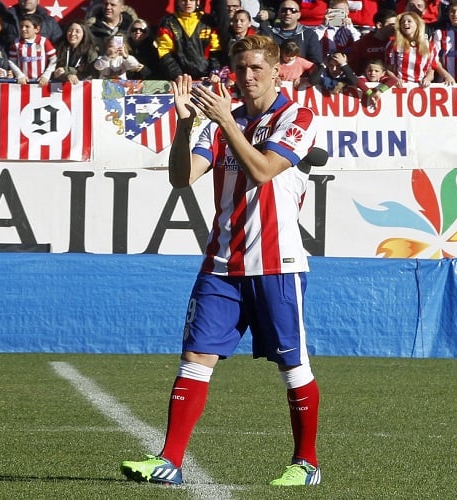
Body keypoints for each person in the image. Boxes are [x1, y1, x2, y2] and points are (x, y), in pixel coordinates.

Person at [120, 34, 321, 488]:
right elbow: (180, 177)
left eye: (256, 69)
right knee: (194, 357)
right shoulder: (216, 120)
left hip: (277, 263)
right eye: (240, 69)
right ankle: (169, 460)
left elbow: (264, 170)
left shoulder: (296, 116)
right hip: (221, 262)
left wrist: (226, 120)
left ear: (276, 70)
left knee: (293, 367)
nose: (247, 77)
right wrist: (185, 124)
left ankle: (307, 463)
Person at [156, 0, 223, 81]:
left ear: (197, 2)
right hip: (179, 78)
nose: (188, 3)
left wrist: (214, 71)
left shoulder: (208, 21)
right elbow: (164, 52)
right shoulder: (168, 22)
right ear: (178, 2)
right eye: (184, 0)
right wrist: (177, 74)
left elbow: (215, 50)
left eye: (191, 0)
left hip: (206, 77)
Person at [385, 11, 453, 86]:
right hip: (400, 87)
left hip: (420, 87)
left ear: (417, 24)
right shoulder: (393, 44)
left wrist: (427, 79)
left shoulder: (430, 45)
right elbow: (388, 68)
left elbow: (431, 69)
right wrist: (395, 79)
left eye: (409, 21)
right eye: (402, 22)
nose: (405, 23)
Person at [259, 0, 323, 65]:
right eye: (284, 10)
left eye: (293, 10)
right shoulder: (268, 33)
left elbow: (316, 63)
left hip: (300, 74)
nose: (288, 13)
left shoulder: (309, 35)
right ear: (278, 14)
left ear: (299, 15)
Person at [9, 13, 57, 86]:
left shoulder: (44, 42)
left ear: (37, 29)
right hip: (23, 83)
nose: (23, 29)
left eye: (27, 26)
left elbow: (54, 60)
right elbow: (11, 61)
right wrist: (19, 75)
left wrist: (46, 75)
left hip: (40, 83)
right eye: (21, 26)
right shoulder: (16, 43)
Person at [347, 8, 397, 76]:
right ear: (379, 25)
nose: (396, 28)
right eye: (392, 25)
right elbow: (354, 68)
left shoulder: (396, 42)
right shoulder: (362, 44)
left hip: (392, 81)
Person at [53, 19, 99, 84]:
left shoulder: (91, 51)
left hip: (84, 87)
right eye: (70, 30)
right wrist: (66, 75)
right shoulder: (59, 48)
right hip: (61, 86)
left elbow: (91, 73)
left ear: (84, 34)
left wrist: (67, 71)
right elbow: (57, 71)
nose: (72, 34)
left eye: (77, 31)